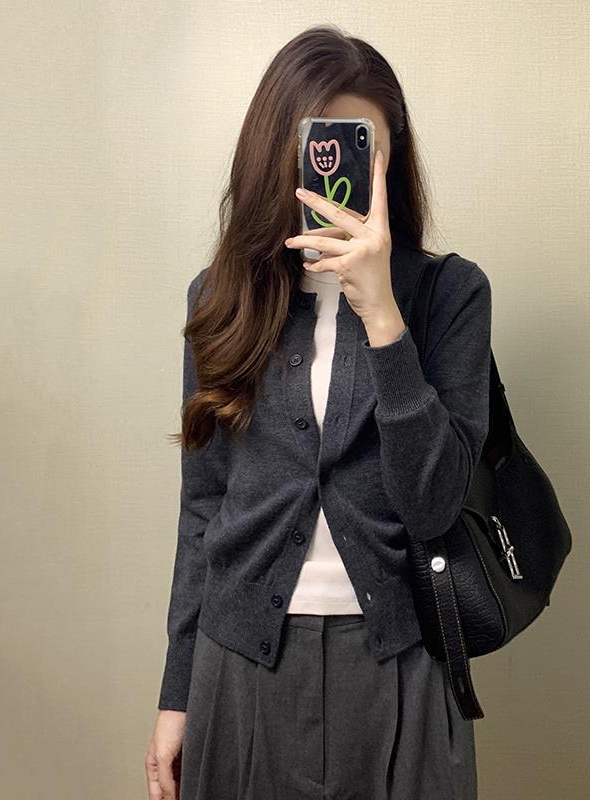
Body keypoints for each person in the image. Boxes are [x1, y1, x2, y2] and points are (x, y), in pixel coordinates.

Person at [145, 23, 491, 800]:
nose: (336, 168)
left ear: (391, 156)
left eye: (361, 146)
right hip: (240, 665)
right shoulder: (221, 298)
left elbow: (436, 504)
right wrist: (176, 695)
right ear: (279, 151)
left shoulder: (449, 295)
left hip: (402, 661)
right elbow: (203, 509)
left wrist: (384, 320)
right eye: (318, 144)